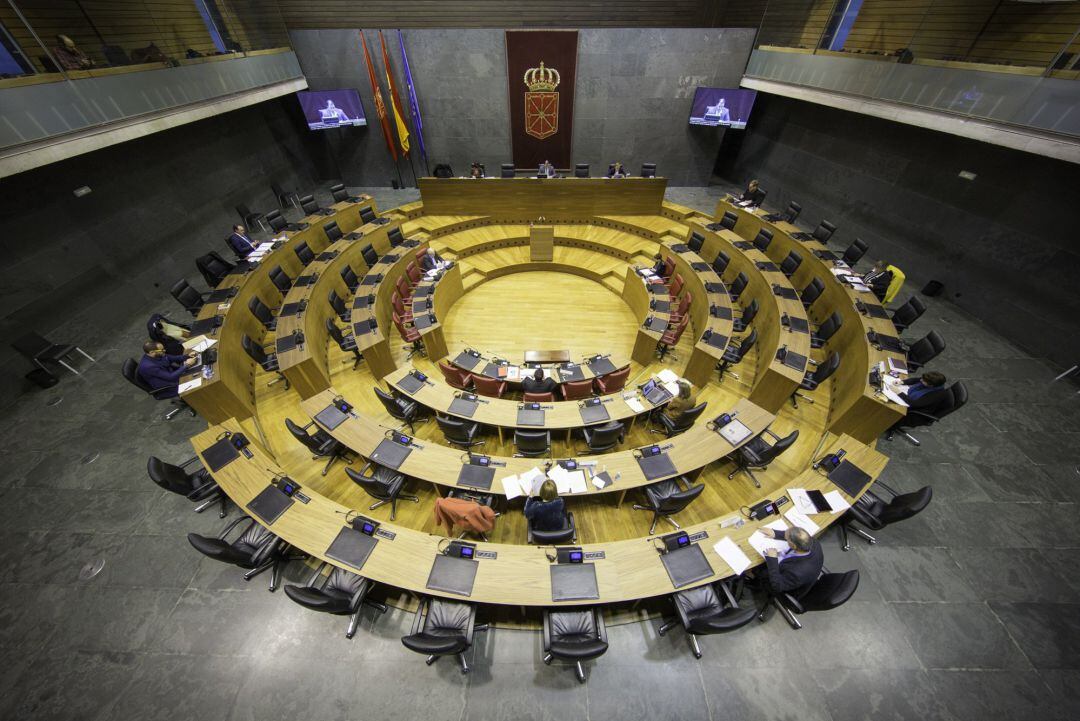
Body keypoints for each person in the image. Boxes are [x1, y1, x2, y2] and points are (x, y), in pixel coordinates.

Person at [758, 526, 824, 594]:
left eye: (787, 539)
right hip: (792, 569)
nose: (785, 538)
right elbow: (795, 537)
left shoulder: (797, 572)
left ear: (793, 546)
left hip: (786, 587)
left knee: (758, 567)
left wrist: (772, 559)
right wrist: (776, 533)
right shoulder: (812, 541)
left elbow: (777, 586)